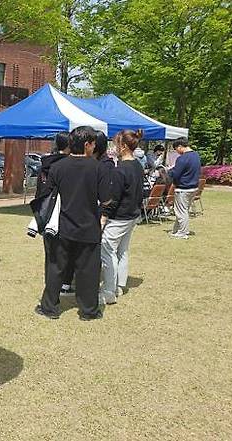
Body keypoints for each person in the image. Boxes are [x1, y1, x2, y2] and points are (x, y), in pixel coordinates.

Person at [35, 126, 107, 321]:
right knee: (88, 271)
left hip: (62, 226)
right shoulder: (98, 167)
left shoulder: (58, 167)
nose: (94, 147)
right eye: (93, 143)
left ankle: (49, 307)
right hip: (89, 226)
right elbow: (107, 198)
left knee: (55, 267)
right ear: (87, 144)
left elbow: (47, 195)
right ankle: (89, 311)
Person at [99, 129, 145, 305]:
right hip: (132, 215)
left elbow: (113, 198)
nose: (114, 147)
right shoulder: (137, 166)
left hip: (120, 217)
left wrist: (104, 217)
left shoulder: (121, 170)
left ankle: (109, 291)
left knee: (108, 251)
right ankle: (119, 285)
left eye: (116, 143)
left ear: (123, 146)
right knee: (122, 250)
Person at [36, 132, 75, 296]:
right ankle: (64, 284)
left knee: (50, 254)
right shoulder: (68, 165)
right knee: (66, 252)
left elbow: (40, 191)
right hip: (64, 213)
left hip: (46, 213)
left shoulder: (45, 164)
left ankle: (50, 285)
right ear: (68, 146)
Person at [168, 137, 201, 239]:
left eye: (176, 149)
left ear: (180, 146)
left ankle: (183, 233)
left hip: (183, 188)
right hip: (194, 187)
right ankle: (177, 230)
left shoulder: (182, 158)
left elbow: (175, 174)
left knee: (181, 211)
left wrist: (169, 171)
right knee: (183, 210)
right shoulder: (196, 155)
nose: (176, 152)